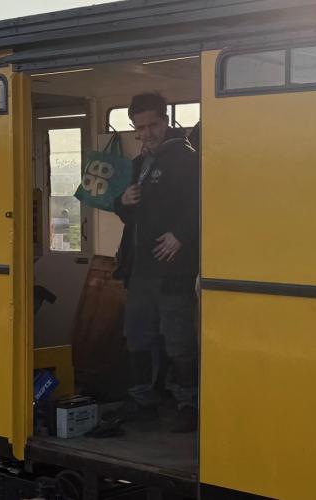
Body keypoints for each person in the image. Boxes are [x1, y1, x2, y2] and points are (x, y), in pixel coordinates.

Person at [113, 92, 200, 433]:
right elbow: (126, 214)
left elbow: (202, 204)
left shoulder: (186, 159)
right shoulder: (139, 164)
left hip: (174, 268)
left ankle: (187, 404)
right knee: (137, 335)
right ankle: (142, 401)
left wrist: (180, 235)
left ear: (166, 122)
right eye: (140, 127)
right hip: (141, 270)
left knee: (177, 337)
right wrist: (123, 201)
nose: (146, 133)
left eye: (152, 125)